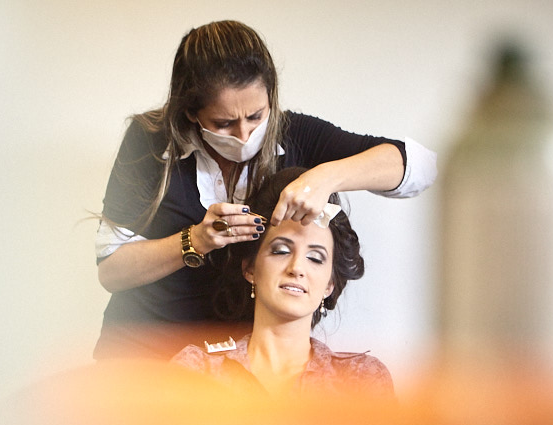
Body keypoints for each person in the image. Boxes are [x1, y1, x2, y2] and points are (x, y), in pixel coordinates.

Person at [95, 20, 436, 359]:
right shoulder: (150, 142)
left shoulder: (297, 135)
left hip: (238, 368)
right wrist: (197, 239)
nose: (244, 135)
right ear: (191, 113)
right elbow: (111, 270)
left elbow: (421, 167)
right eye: (224, 123)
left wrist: (326, 178)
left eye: (256, 116)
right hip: (140, 357)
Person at [171, 167, 394, 397]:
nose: (296, 268)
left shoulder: (361, 377)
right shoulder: (197, 371)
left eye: (315, 258)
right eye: (281, 251)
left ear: (330, 285)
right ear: (250, 268)